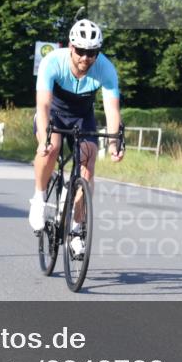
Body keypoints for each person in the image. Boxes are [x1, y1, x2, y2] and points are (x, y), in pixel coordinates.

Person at [28, 19, 124, 259]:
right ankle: (38, 200)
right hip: (54, 113)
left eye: (92, 52)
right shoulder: (52, 62)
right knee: (51, 148)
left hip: (83, 115)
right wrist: (43, 139)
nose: (85, 57)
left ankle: (76, 229)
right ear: (71, 47)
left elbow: (112, 110)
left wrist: (113, 144)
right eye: (81, 51)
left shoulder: (106, 68)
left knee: (88, 162)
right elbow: (43, 104)